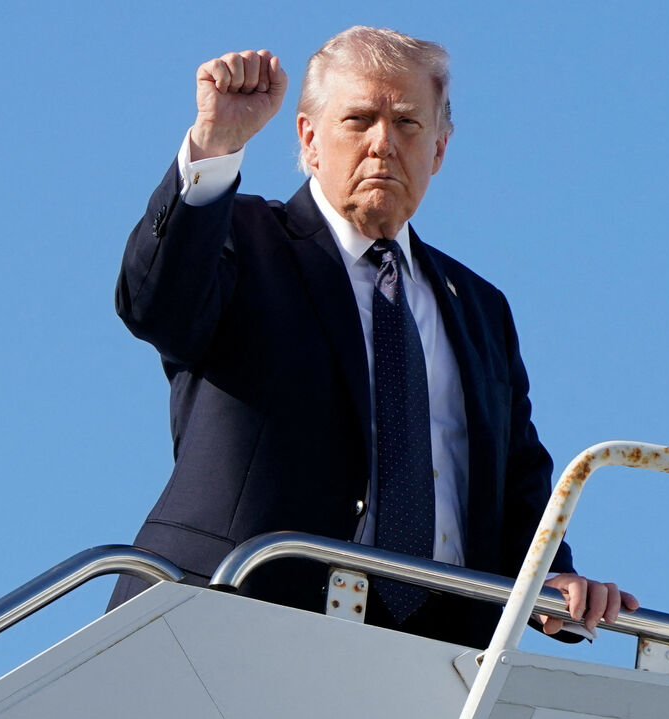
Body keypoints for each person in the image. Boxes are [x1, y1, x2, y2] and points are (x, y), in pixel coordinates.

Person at [109, 26, 635, 647]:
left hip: (433, 655)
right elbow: (155, 305)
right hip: (230, 624)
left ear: (439, 149)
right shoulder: (242, 238)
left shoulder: (480, 307)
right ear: (308, 139)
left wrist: (551, 575)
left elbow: (512, 476)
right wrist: (215, 144)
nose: (382, 143)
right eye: (358, 119)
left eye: (408, 124)